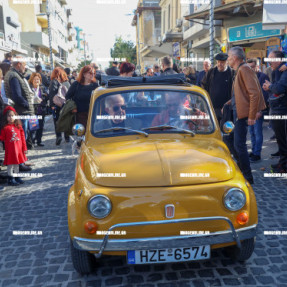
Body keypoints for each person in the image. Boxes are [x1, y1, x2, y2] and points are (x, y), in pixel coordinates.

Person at [223, 47, 266, 184]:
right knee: (230, 141)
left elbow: (254, 93)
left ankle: (247, 176)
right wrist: (230, 102)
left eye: (229, 56)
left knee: (239, 145)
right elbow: (243, 93)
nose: (228, 59)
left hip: (242, 115)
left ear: (235, 58)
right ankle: (242, 171)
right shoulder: (239, 70)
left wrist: (252, 116)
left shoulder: (244, 69)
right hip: (236, 112)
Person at [4, 56, 34, 156]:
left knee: (21, 137)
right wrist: (26, 104)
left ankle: (21, 161)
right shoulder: (14, 76)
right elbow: (17, 96)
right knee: (20, 138)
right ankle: (20, 163)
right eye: (24, 65)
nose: (25, 68)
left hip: (20, 110)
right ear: (19, 64)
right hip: (20, 111)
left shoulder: (14, 74)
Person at [263, 50, 287, 173]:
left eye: (271, 59)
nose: (269, 61)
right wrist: (270, 88)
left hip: (282, 111)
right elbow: (276, 90)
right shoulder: (276, 71)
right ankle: (282, 163)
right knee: (281, 140)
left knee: (283, 140)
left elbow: (279, 88)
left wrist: (270, 87)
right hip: (277, 109)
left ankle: (284, 167)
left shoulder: (285, 71)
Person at [246, 59, 270, 162]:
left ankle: (257, 153)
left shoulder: (263, 77)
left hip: (258, 111)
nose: (250, 69)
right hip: (249, 110)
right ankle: (254, 151)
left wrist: (260, 111)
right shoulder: (247, 77)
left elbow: (265, 96)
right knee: (251, 132)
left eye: (252, 66)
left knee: (257, 132)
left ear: (257, 67)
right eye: (248, 67)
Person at [202, 52, 234, 124]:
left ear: (227, 62)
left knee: (226, 129)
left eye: (222, 62)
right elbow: (204, 85)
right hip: (212, 107)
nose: (220, 64)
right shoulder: (211, 72)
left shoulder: (231, 73)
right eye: (218, 62)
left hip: (226, 108)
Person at [0, 106, 27, 186]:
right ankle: (10, 178)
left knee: (17, 164)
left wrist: (24, 148)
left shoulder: (18, 126)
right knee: (10, 165)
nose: (11, 117)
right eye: (9, 116)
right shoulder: (5, 128)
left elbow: (23, 138)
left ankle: (17, 177)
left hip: (18, 150)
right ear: (6, 117)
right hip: (10, 150)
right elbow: (2, 138)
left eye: (12, 115)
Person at [66, 65, 98, 129]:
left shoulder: (95, 85)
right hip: (80, 114)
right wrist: (73, 108)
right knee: (82, 134)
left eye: (94, 73)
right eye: (90, 73)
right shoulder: (76, 84)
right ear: (84, 74)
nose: (92, 75)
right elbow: (67, 96)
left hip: (93, 114)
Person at [48, 67, 70, 145]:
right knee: (66, 120)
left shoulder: (54, 82)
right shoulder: (65, 82)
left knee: (57, 121)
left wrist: (52, 105)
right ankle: (67, 137)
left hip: (57, 105)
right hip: (65, 104)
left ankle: (59, 136)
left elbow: (52, 94)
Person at [28, 72, 48, 147]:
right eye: (35, 79)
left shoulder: (42, 88)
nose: (37, 81)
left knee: (40, 126)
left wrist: (44, 97)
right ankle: (32, 141)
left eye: (38, 79)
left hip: (41, 109)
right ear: (32, 80)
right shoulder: (30, 88)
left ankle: (39, 141)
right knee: (32, 127)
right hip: (33, 110)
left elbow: (47, 96)